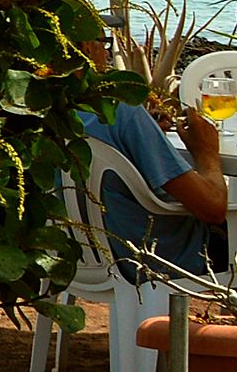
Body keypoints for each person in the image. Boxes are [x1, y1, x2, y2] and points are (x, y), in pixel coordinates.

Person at [95, 97, 227, 275]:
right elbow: (213, 209)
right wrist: (207, 153)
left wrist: (146, 132)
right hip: (153, 257)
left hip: (79, 253)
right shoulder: (120, 110)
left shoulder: (54, 111)